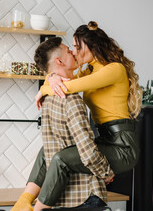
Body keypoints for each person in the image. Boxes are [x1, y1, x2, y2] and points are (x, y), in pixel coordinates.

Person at [11, 37, 114, 211]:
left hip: (61, 197)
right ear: (59, 61)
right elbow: (86, 148)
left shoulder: (48, 98)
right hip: (85, 194)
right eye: (68, 51)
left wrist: (51, 76)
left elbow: (51, 151)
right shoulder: (71, 100)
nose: (73, 52)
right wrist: (106, 172)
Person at [36, 21, 142, 174]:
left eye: (77, 47)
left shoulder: (114, 69)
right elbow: (62, 79)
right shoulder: (89, 71)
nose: (73, 52)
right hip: (104, 139)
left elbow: (66, 88)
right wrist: (51, 77)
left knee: (61, 157)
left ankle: (39, 199)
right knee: (44, 152)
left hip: (122, 145)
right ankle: (25, 198)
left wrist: (43, 90)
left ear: (92, 46)